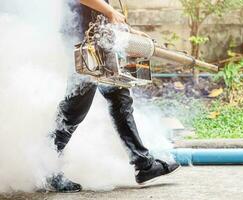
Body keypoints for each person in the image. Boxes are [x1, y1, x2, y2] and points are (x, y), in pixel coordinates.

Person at [46, 0, 180, 193]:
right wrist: (110, 12)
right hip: (81, 38)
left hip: (101, 39)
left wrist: (128, 31)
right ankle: (47, 169)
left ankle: (144, 164)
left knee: (120, 99)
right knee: (76, 105)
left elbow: (107, 12)